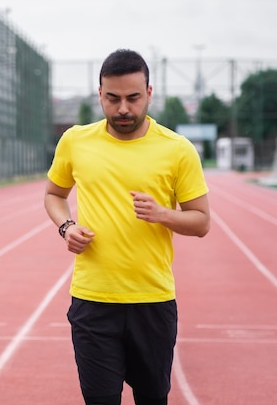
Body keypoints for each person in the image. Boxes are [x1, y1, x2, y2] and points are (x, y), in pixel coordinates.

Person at [44, 49, 210, 405]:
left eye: (133, 98)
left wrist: (163, 214)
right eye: (113, 98)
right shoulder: (76, 140)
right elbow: (53, 195)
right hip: (93, 300)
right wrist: (66, 226)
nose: (123, 109)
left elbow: (201, 221)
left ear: (149, 93)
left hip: (152, 301)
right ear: (99, 94)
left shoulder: (177, 149)